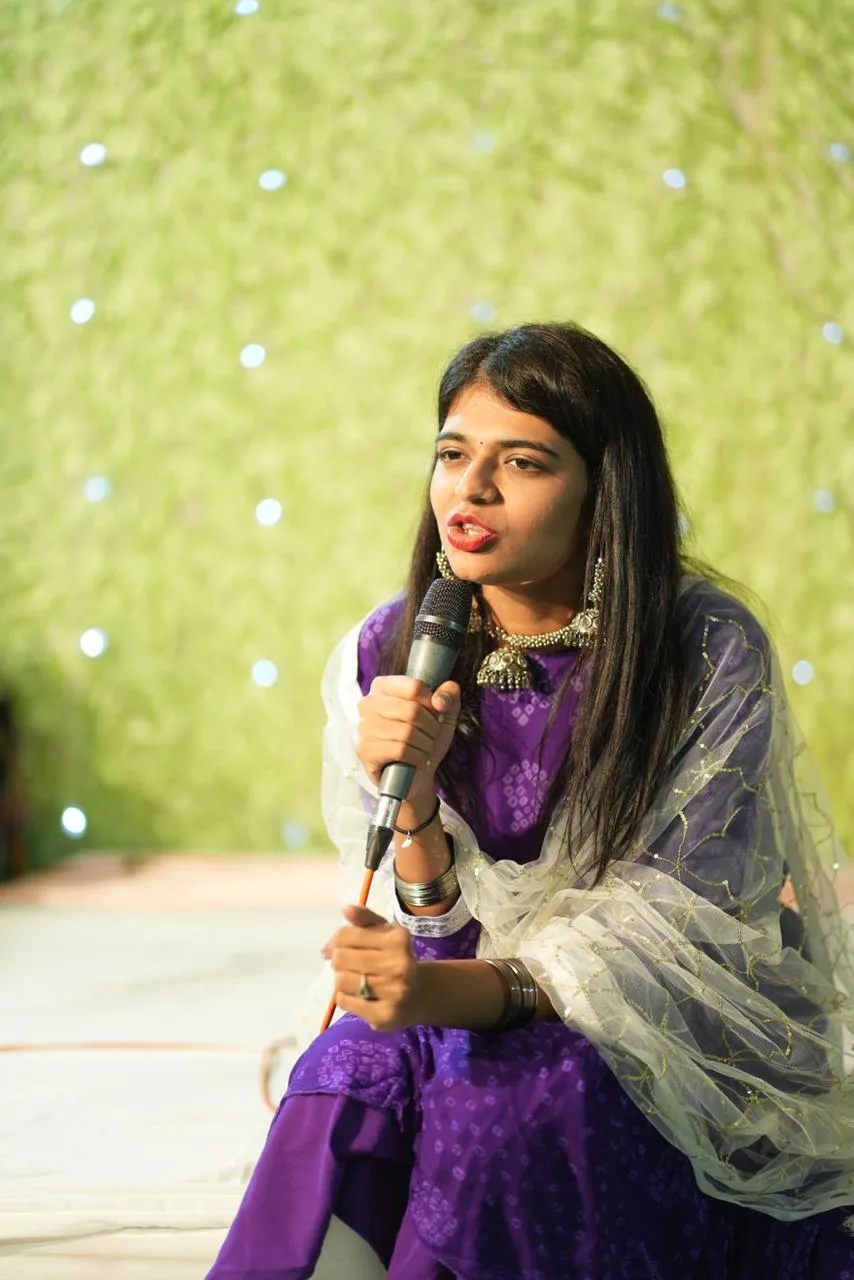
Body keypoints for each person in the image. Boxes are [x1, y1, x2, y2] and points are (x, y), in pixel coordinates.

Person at [207, 323, 854, 1279]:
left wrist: (440, 994)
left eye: (522, 462)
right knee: (338, 1080)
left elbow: (669, 939)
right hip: (457, 985)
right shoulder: (389, 649)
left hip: (653, 1027)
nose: (470, 489)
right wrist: (415, 807)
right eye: (452, 454)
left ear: (604, 490)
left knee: (504, 1114)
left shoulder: (702, 649)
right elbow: (431, 940)